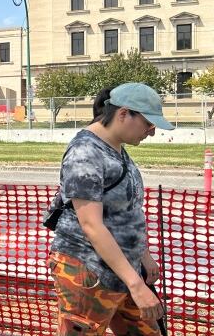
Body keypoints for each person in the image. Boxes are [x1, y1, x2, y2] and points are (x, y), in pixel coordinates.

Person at [47, 82, 170, 335]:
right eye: (148, 123)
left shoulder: (116, 148)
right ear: (124, 114)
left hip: (124, 270)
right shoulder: (85, 152)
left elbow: (124, 211)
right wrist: (135, 284)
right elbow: (92, 225)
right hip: (88, 272)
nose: (151, 132)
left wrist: (142, 256)